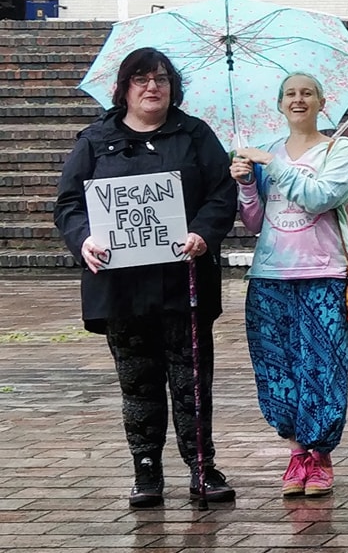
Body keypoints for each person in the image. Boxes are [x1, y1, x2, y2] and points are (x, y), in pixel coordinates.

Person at [53, 47, 240, 507]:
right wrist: (84, 240)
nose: (152, 87)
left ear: (173, 87)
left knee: (192, 381)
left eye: (161, 79)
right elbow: (69, 204)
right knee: (138, 382)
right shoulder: (95, 140)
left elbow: (221, 193)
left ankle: (202, 467)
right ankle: (146, 469)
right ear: (124, 88)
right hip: (122, 286)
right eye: (141, 79)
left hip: (183, 280)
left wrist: (203, 233)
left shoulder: (195, 135)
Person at [230, 73, 348, 499]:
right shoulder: (267, 151)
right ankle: (296, 453)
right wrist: (246, 184)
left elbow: (320, 198)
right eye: (290, 94)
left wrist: (273, 166)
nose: (298, 99)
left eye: (307, 93)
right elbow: (254, 222)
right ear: (280, 104)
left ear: (321, 102)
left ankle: (320, 455)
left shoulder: (339, 150)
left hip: (324, 273)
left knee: (323, 365)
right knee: (277, 367)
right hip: (270, 275)